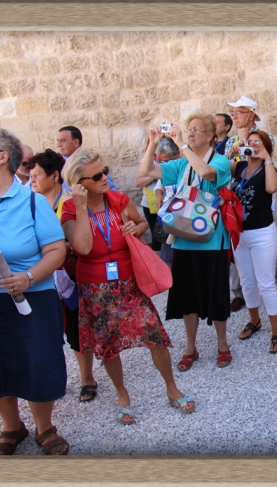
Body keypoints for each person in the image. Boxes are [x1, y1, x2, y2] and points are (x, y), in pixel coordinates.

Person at [0, 127, 70, 455]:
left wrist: (29, 278)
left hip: (29, 297)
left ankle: (44, 427)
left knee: (37, 362)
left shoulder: (32, 203)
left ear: (3, 156)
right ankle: (11, 427)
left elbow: (56, 251)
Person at [61, 147, 195, 424]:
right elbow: (83, 247)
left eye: (105, 171)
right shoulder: (71, 209)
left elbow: (143, 222)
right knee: (110, 345)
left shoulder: (118, 199)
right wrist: (83, 207)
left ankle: (172, 388)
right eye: (96, 175)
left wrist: (137, 229)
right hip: (96, 288)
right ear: (79, 184)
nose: (104, 178)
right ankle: (122, 394)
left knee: (153, 334)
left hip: (129, 282)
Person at [137, 114, 233, 370]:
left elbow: (205, 171)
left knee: (217, 294)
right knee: (187, 296)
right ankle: (191, 346)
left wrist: (182, 146)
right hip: (182, 239)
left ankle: (222, 344)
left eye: (197, 130)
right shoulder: (181, 164)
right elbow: (146, 171)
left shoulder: (221, 161)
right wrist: (152, 142)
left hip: (212, 240)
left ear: (212, 136)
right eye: (189, 130)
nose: (190, 134)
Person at [28, 148, 98, 403]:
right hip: (41, 277)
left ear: (55, 175)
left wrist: (60, 249)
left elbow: (85, 237)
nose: (32, 180)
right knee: (46, 331)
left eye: (36, 175)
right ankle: (53, 379)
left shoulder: (73, 200)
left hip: (70, 275)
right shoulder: (28, 204)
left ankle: (87, 377)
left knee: (78, 328)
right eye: (30, 176)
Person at [223, 96, 277, 311]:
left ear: (251, 114)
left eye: (239, 112)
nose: (235, 116)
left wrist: (251, 145)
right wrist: (232, 153)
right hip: (239, 196)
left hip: (260, 192)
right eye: (233, 113)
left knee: (269, 252)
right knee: (242, 261)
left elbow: (264, 161)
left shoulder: (265, 137)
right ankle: (240, 294)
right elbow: (223, 170)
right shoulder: (232, 142)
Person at [231, 131, 277, 353]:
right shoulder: (240, 168)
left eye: (257, 142)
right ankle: (254, 321)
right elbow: (217, 172)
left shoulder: (268, 168)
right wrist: (230, 153)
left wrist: (267, 157)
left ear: (265, 146)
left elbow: (272, 188)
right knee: (246, 282)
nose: (251, 144)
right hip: (239, 234)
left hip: (262, 233)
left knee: (266, 283)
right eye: (248, 141)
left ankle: (276, 332)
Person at [153, 137, 183, 268]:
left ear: (178, 153)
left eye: (168, 160)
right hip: (168, 213)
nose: (165, 164)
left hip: (183, 213)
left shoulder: (185, 165)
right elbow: (159, 187)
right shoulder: (166, 168)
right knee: (167, 252)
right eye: (162, 161)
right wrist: (159, 196)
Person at [57, 126, 117, 190]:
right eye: (58, 141)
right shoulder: (57, 164)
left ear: (75, 142)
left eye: (63, 140)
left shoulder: (90, 162)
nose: (59, 144)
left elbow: (111, 189)